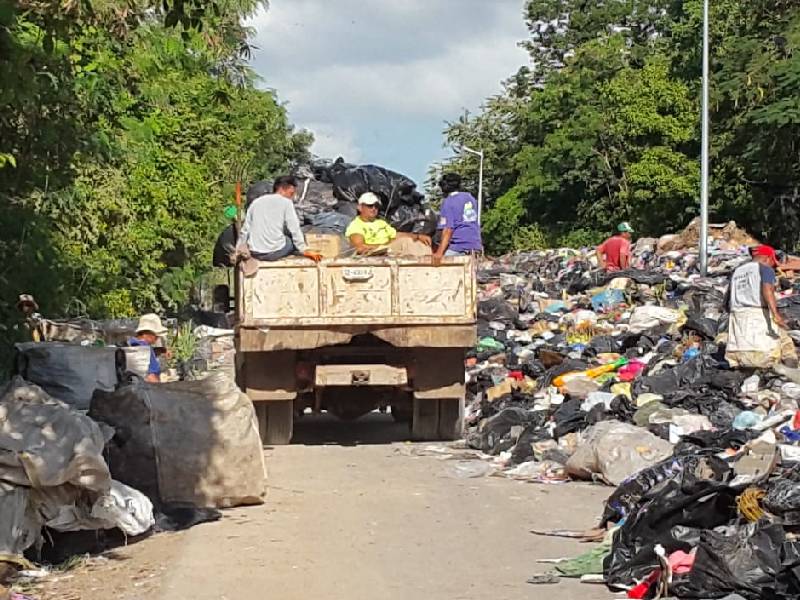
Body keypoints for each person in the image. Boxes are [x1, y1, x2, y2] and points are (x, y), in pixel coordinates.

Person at [726, 244, 798, 369]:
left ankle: (739, 365)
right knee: (785, 341)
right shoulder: (765, 269)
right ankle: (791, 369)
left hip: (736, 320)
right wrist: (776, 315)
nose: (773, 267)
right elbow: (767, 290)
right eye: (773, 263)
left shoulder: (737, 271)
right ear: (767, 258)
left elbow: (727, 299)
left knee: (739, 350)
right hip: (758, 318)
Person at [238, 175, 321, 262]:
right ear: (281, 189)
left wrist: (239, 248)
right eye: (291, 193)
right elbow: (294, 228)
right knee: (290, 242)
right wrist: (304, 250)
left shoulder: (256, 202)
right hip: (273, 253)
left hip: (255, 252)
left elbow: (245, 229)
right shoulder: (286, 203)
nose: (292, 197)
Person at [346, 192, 431, 255]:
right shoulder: (356, 225)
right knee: (406, 243)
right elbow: (359, 247)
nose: (373, 208)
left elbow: (396, 235)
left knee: (420, 244)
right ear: (360, 207)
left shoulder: (381, 223)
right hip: (374, 254)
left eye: (376, 206)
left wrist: (418, 236)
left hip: (390, 251)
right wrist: (386, 245)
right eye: (370, 206)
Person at [432, 173, 483, 263]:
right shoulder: (470, 198)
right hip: (475, 246)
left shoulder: (448, 202)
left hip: (458, 247)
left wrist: (439, 253)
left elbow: (448, 230)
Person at [128, 314, 169, 383]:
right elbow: (150, 377)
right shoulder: (145, 350)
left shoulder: (130, 343)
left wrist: (162, 350)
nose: (157, 338)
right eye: (156, 335)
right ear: (147, 333)